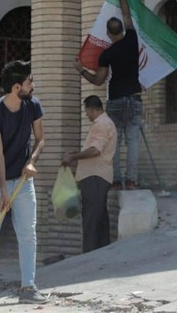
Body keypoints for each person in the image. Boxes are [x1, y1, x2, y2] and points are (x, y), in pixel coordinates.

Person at [0, 60, 47, 304]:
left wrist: (31, 161)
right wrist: (4, 191)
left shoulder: (33, 106)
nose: (33, 86)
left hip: (23, 179)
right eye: (30, 82)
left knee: (28, 234)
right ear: (17, 87)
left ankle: (28, 287)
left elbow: (40, 139)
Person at [75, 0, 142, 190]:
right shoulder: (132, 39)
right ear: (121, 29)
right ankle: (131, 181)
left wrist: (81, 70)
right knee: (132, 142)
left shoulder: (108, 53)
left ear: (108, 33)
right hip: (135, 98)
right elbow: (126, 13)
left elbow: (99, 80)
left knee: (114, 142)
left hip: (116, 100)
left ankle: (115, 181)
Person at [61, 95, 117, 253]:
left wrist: (73, 157)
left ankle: (89, 258)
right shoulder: (104, 123)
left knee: (91, 221)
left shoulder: (102, 124)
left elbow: (95, 150)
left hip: (95, 178)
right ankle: (101, 255)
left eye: (87, 111)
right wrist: (78, 153)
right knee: (99, 221)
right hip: (97, 177)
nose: (86, 114)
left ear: (93, 109)